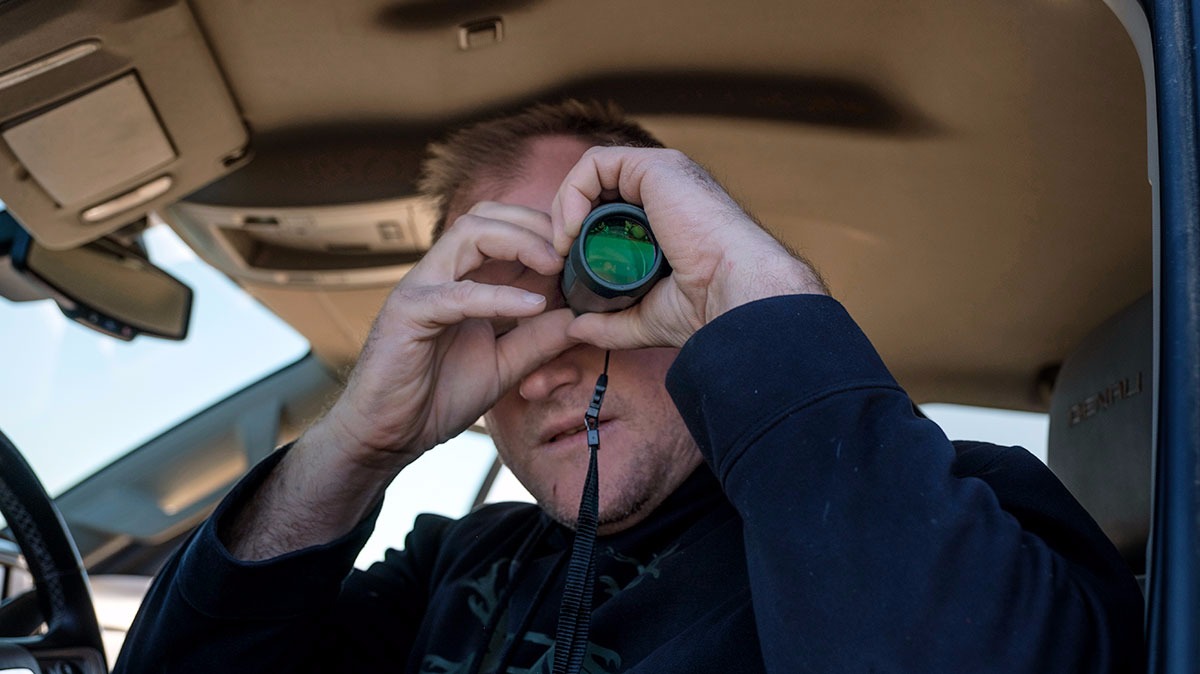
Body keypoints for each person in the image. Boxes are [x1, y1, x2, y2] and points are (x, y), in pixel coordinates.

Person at [114, 100, 1145, 673]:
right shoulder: (450, 570)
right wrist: (353, 447)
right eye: (501, 305)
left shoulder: (959, 508)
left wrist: (764, 302)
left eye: (604, 273)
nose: (553, 354)